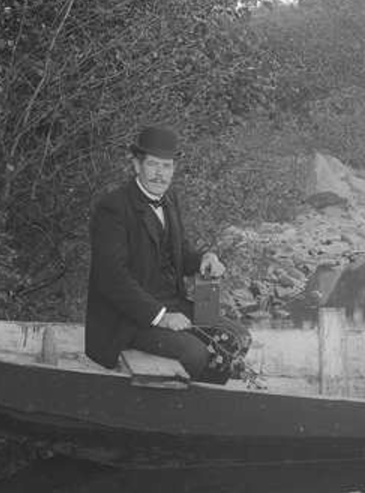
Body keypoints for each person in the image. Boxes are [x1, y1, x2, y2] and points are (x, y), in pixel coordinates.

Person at [85, 126, 251, 384]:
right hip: (128, 319)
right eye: (153, 164)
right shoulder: (113, 207)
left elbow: (180, 253)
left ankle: (209, 400)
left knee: (237, 336)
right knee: (196, 353)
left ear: (174, 169)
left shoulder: (170, 199)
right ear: (136, 165)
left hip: (171, 303)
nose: (159, 174)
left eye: (166, 166)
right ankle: (189, 403)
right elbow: (112, 278)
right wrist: (161, 317)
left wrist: (204, 258)